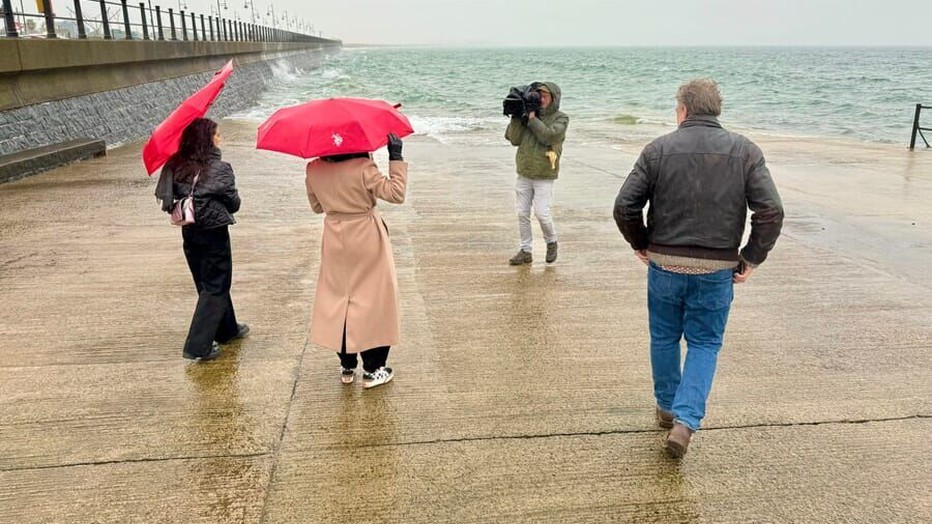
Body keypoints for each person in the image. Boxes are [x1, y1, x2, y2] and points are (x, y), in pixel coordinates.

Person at [613, 79, 784, 457]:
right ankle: (685, 422)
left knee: (664, 337)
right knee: (705, 343)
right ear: (715, 111)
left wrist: (641, 243)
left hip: (665, 265)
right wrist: (751, 256)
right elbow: (770, 212)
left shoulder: (658, 150)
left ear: (683, 110)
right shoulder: (745, 151)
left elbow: (625, 206)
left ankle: (667, 406)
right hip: (717, 267)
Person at [305, 134, 408, 389]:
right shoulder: (363, 167)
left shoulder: (314, 168)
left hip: (335, 237)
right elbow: (396, 193)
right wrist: (395, 157)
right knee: (374, 300)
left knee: (339, 298)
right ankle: (374, 368)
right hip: (366, 236)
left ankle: (347, 364)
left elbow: (317, 207)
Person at [155, 118, 249, 361]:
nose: (220, 139)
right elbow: (233, 203)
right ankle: (198, 346)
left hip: (189, 230)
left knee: (207, 283)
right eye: (217, 135)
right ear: (208, 140)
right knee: (216, 285)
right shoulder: (219, 167)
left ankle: (227, 329)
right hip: (214, 231)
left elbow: (167, 197)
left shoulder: (176, 164)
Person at [505, 82, 569, 265]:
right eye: (537, 95)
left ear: (554, 98)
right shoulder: (528, 114)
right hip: (524, 171)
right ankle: (526, 250)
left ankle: (551, 241)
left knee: (542, 213)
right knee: (522, 213)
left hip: (544, 173)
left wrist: (532, 118)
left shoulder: (561, 118)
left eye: (544, 96)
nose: (540, 99)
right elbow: (514, 139)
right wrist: (517, 116)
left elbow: (548, 136)